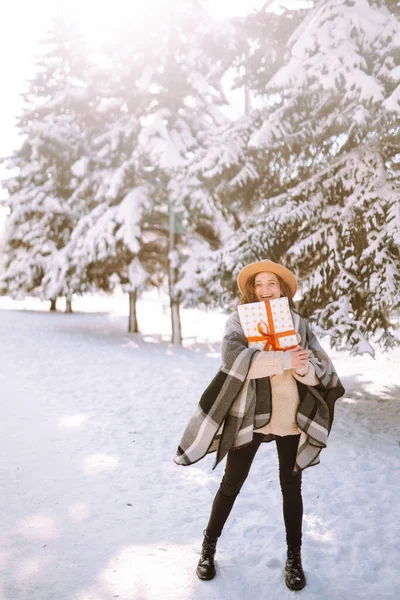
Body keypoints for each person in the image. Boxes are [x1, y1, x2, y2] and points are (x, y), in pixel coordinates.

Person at [174, 259, 345, 592]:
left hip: (289, 417)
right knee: (231, 484)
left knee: (291, 486)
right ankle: (208, 548)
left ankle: (294, 558)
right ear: (251, 290)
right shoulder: (239, 320)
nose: (266, 290)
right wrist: (280, 359)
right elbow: (232, 359)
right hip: (249, 414)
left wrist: (300, 365)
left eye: (272, 284)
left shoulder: (298, 323)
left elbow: (318, 373)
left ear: (282, 289)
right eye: (259, 285)